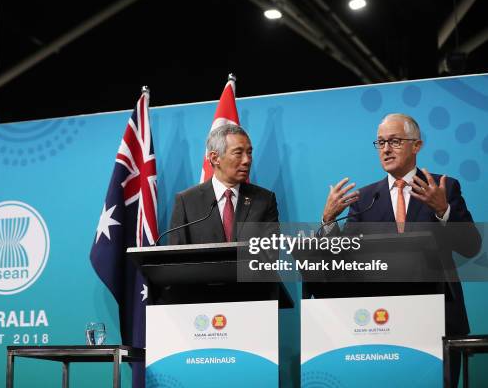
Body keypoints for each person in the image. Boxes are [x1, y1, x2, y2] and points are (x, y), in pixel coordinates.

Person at [316, 113, 481, 386]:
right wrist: (329, 222)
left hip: (439, 318)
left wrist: (443, 210)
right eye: (380, 142)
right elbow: (343, 260)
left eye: (394, 141)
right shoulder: (365, 199)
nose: (385, 149)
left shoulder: (442, 187)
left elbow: (471, 246)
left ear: (416, 146)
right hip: (381, 323)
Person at [168, 123, 279, 245]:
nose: (247, 160)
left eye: (249, 153)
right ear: (215, 158)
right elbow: (176, 257)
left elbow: (271, 254)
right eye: (238, 153)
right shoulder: (187, 201)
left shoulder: (264, 200)